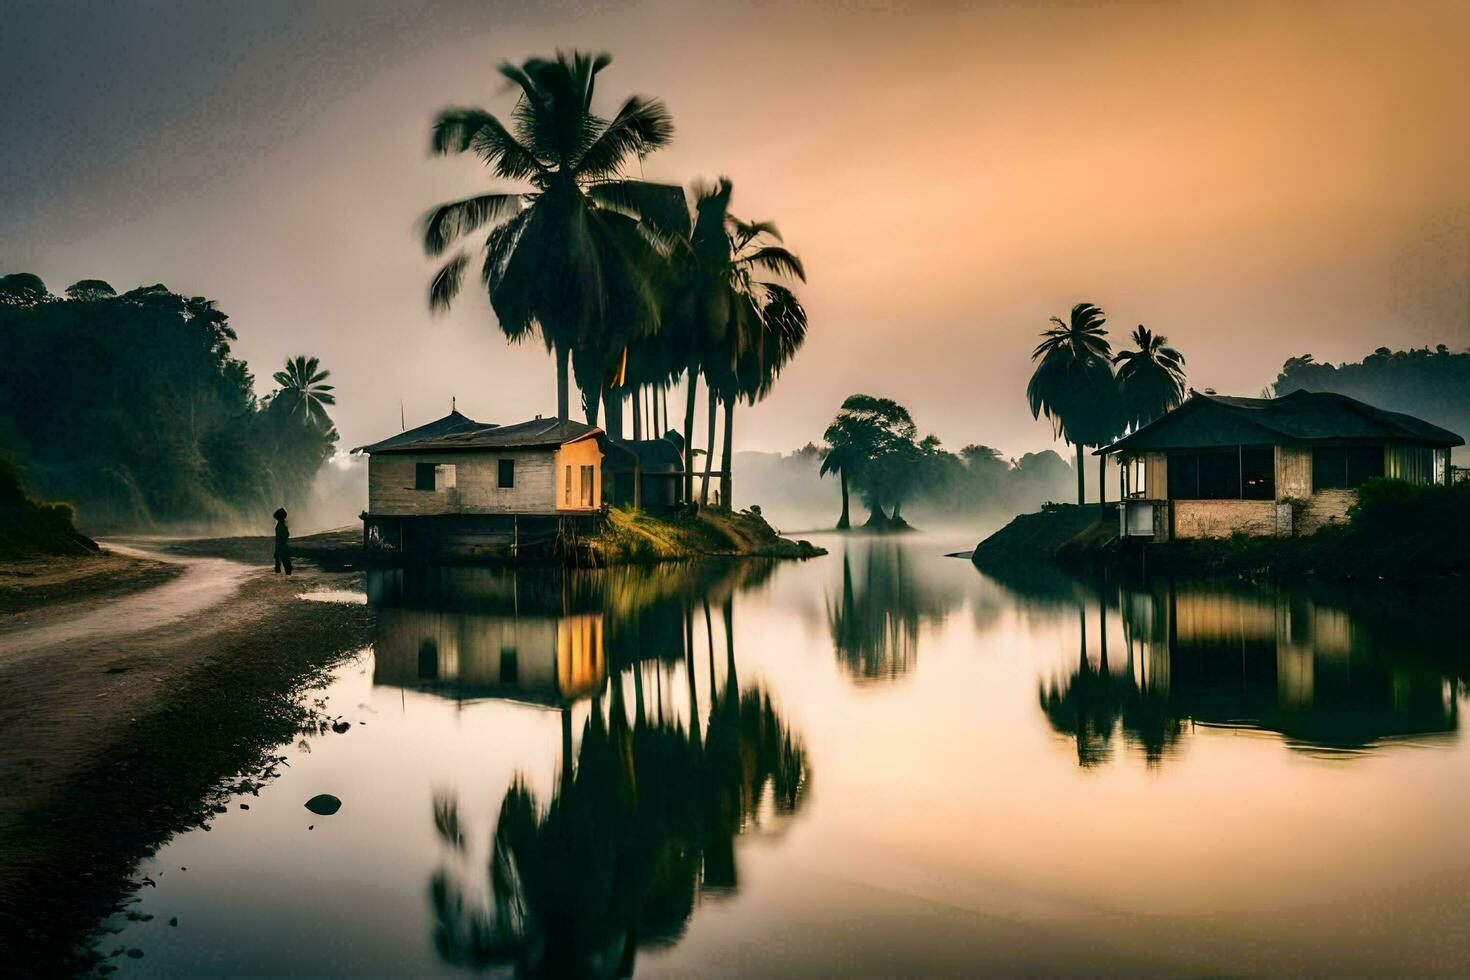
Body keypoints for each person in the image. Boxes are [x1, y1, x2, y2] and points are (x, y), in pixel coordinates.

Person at [273, 507, 292, 575]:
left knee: (281, 566)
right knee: (285, 566)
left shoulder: (281, 525)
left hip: (281, 547)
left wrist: (277, 549)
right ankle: (287, 580)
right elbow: (286, 535)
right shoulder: (282, 524)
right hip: (283, 547)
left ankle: (286, 581)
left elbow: (280, 538)